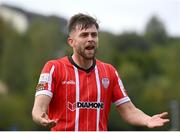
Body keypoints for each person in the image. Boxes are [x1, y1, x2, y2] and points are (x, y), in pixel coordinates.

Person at [32, 13, 169, 131]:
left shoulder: (109, 71)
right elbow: (39, 107)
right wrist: (40, 116)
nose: (90, 39)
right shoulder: (53, 68)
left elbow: (129, 111)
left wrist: (147, 120)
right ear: (71, 42)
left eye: (94, 35)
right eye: (84, 35)